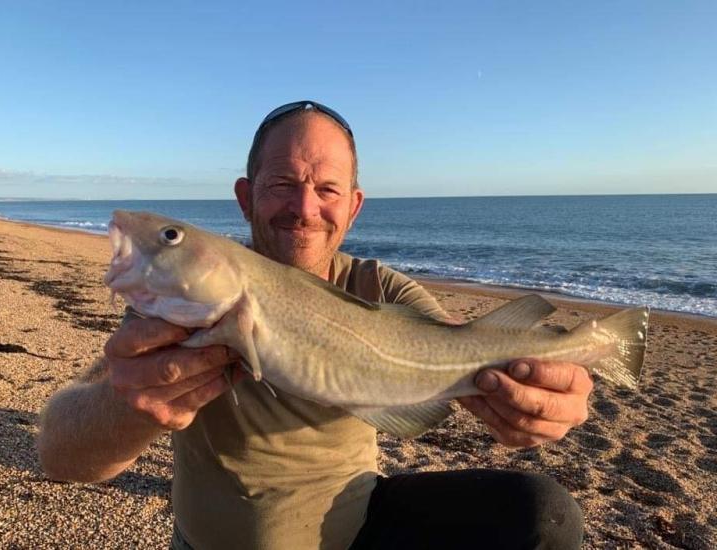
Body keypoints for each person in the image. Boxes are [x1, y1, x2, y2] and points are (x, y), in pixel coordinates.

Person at [37, 101, 591, 549]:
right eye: (282, 183)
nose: (305, 207)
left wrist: (549, 389)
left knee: (543, 513)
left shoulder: (383, 290)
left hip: (357, 528)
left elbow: (457, 344)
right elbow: (61, 456)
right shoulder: (176, 307)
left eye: (327, 189)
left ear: (352, 207)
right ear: (245, 196)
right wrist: (126, 405)